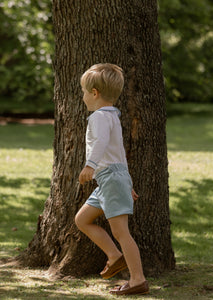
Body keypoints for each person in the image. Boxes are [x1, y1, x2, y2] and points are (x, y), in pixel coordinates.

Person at [75, 63, 149, 296]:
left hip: (110, 179)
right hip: (111, 180)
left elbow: (101, 144)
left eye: (84, 92)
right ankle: (115, 256)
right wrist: (128, 183)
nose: (83, 96)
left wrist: (90, 166)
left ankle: (138, 280)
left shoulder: (98, 117)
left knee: (121, 232)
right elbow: (118, 152)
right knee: (82, 219)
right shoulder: (112, 116)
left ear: (94, 93)